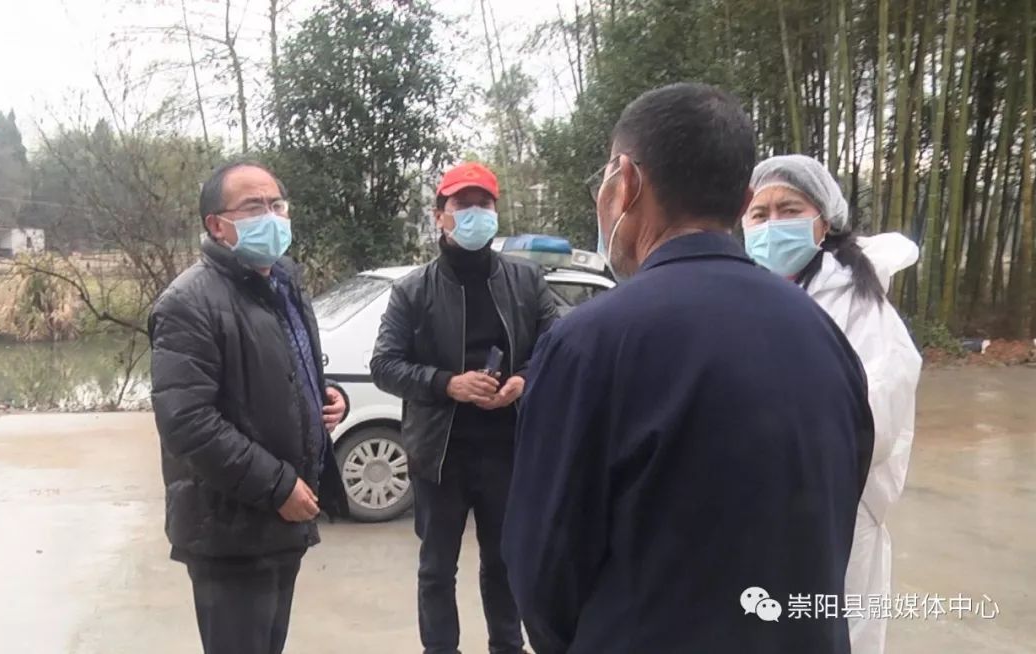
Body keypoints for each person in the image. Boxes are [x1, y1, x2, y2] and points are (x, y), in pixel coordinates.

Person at [501, 83, 874, 654]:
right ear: (743, 200)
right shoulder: (824, 335)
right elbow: (835, 518)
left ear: (626, 182)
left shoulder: (590, 344)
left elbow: (543, 570)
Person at [149, 160, 350, 654]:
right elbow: (188, 422)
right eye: (254, 207)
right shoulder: (188, 302)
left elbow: (285, 367)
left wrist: (323, 396)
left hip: (281, 524)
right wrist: (278, 486)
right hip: (229, 530)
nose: (272, 217)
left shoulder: (283, 284)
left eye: (277, 205)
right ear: (217, 225)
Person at [370, 161, 560, 654]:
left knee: (504, 563)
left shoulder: (526, 281)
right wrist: (447, 384)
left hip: (507, 448)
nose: (475, 213)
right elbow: (384, 365)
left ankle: (507, 646)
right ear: (440, 215)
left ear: (496, 211)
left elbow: (557, 345)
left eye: (484, 203)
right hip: (440, 454)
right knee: (437, 569)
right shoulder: (413, 290)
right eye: (462, 204)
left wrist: (523, 380)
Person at [743, 154, 922, 654]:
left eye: (789, 210)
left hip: (833, 509)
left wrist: (779, 437)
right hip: (763, 512)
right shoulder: (748, 294)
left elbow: (876, 413)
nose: (772, 225)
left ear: (824, 221)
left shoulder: (858, 302)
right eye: (759, 214)